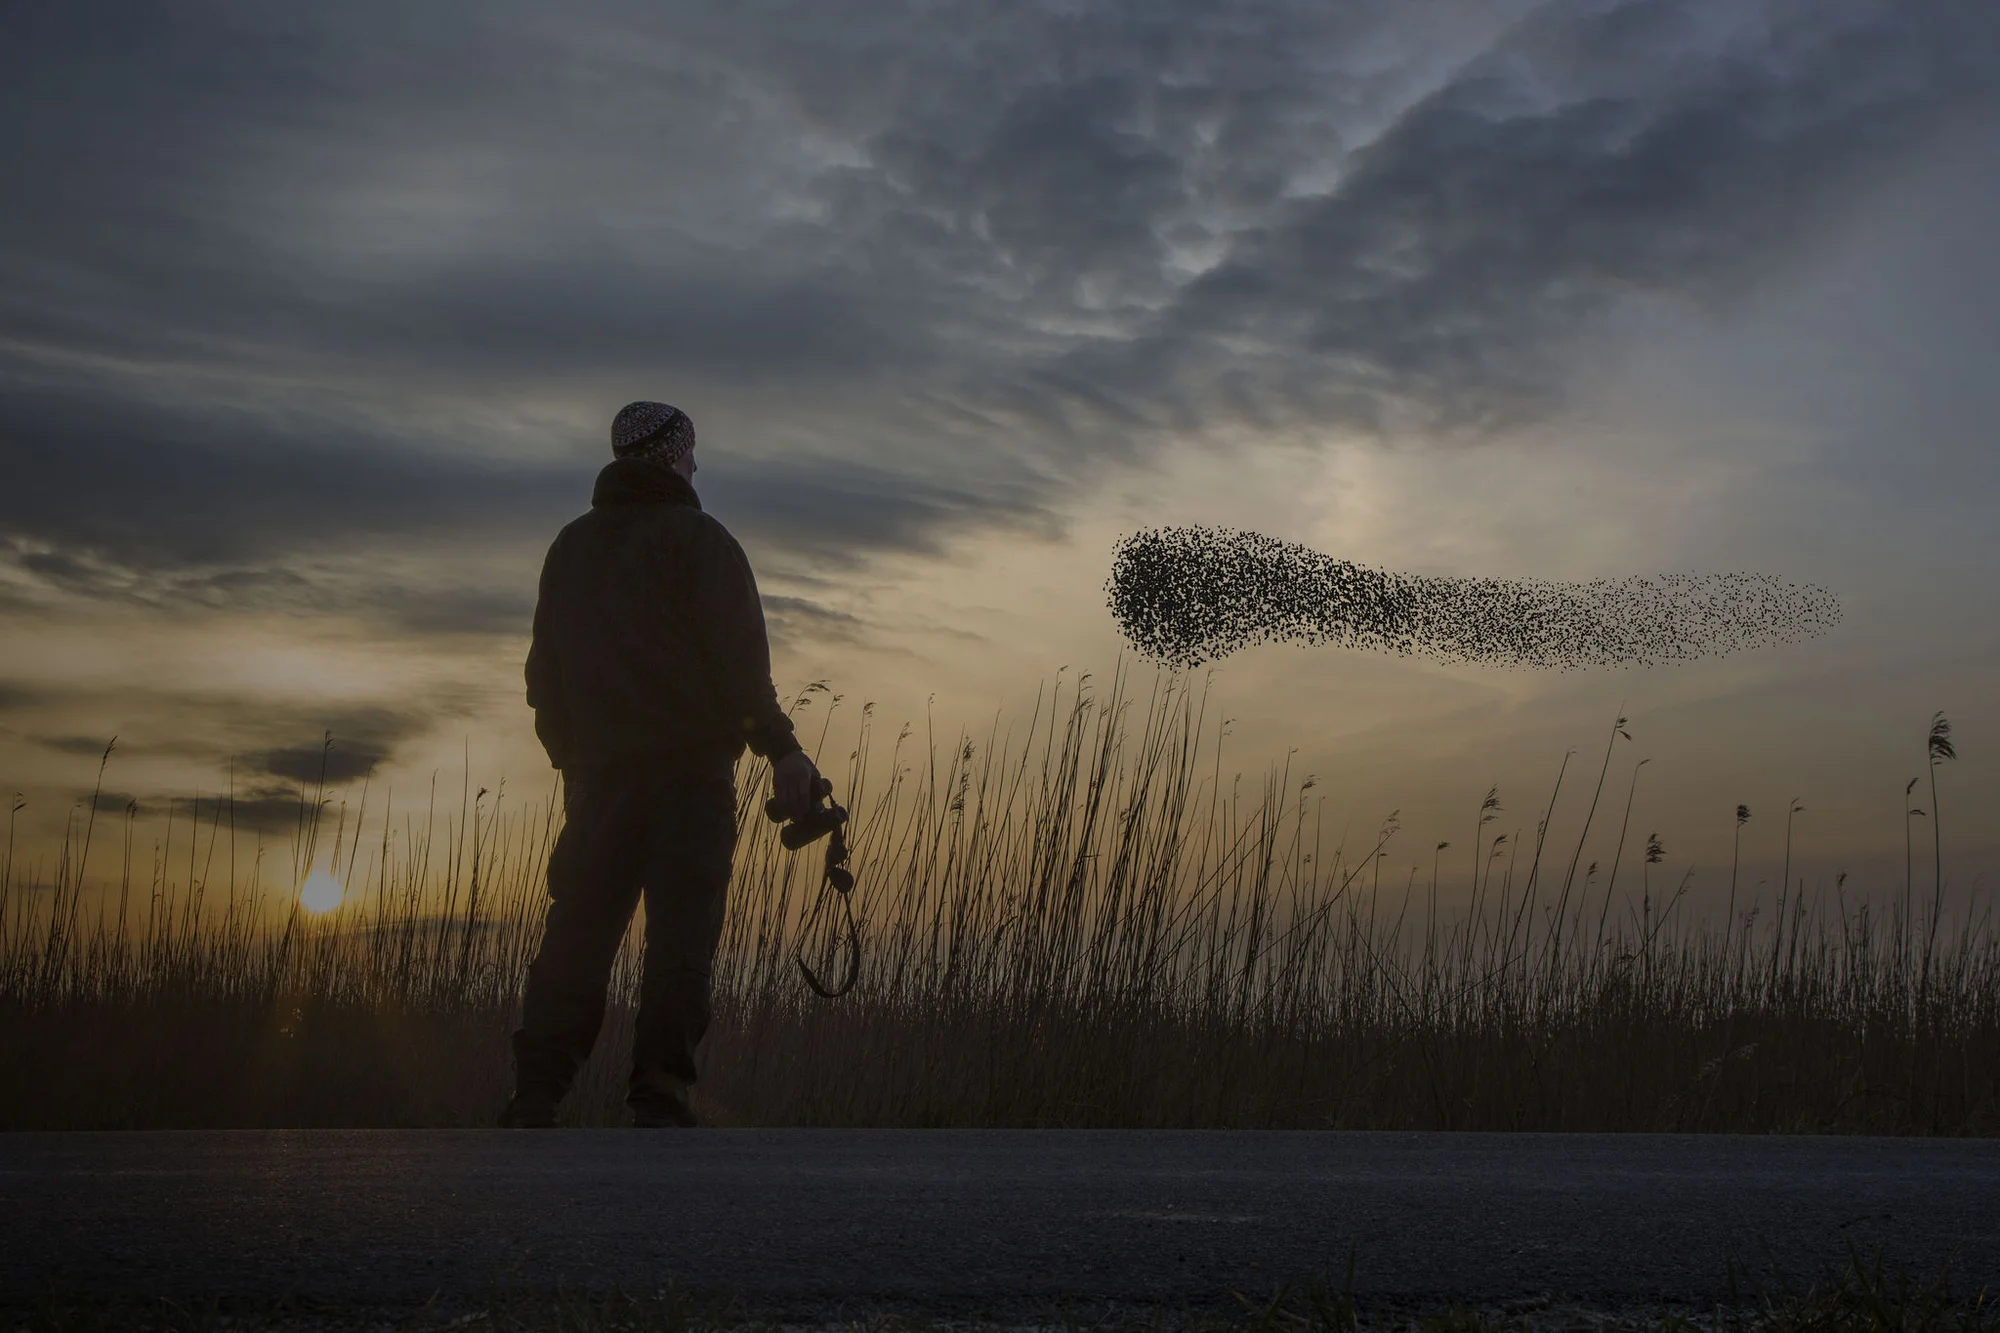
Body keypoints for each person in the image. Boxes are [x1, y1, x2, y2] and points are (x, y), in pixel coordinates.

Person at [503, 400, 821, 1128]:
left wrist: (573, 765)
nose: (698, 463)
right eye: (693, 449)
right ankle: (658, 1093)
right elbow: (743, 677)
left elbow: (542, 680)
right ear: (673, 454)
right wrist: (785, 751)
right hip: (691, 784)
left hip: (600, 785)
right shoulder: (704, 543)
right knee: (681, 944)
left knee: (576, 940)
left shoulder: (570, 549)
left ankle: (536, 1093)